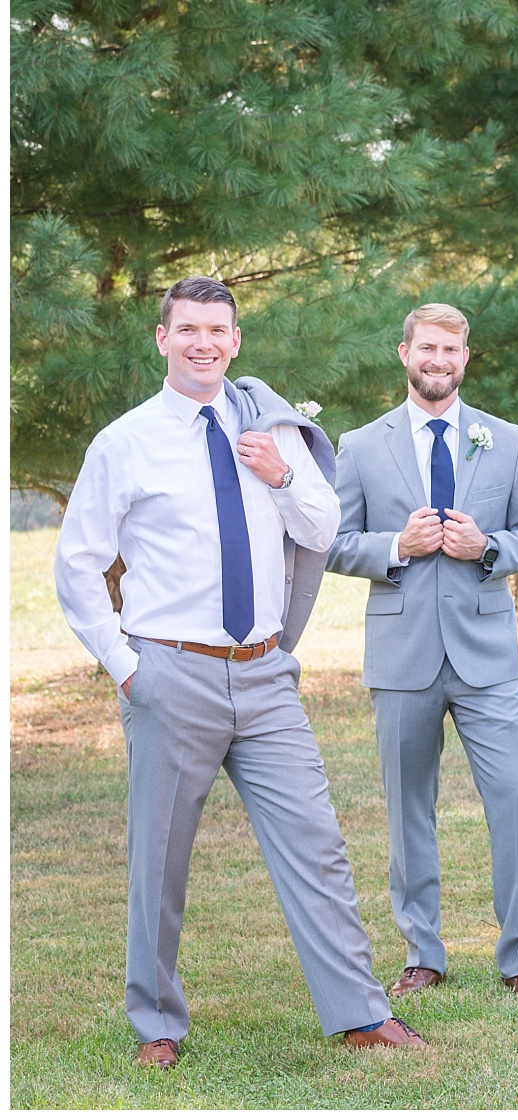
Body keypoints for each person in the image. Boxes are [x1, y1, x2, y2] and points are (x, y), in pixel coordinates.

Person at [53, 275, 424, 1068]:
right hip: (169, 673)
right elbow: (77, 568)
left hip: (263, 677)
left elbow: (324, 527)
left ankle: (360, 1012)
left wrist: (282, 477)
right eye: (187, 330)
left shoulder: (272, 431)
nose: (203, 344)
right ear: (162, 339)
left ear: (236, 339)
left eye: (217, 331)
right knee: (160, 857)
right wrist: (126, 669)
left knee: (316, 842)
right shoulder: (125, 442)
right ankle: (157, 1025)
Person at [327, 302, 518, 1000]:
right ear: (405, 353)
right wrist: (400, 544)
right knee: (409, 809)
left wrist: (484, 546)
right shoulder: (361, 445)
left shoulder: (507, 440)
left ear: (466, 357)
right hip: (402, 657)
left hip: (485, 655)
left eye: (451, 350)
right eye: (427, 348)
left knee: (516, 796)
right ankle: (422, 953)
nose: (439, 360)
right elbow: (333, 543)